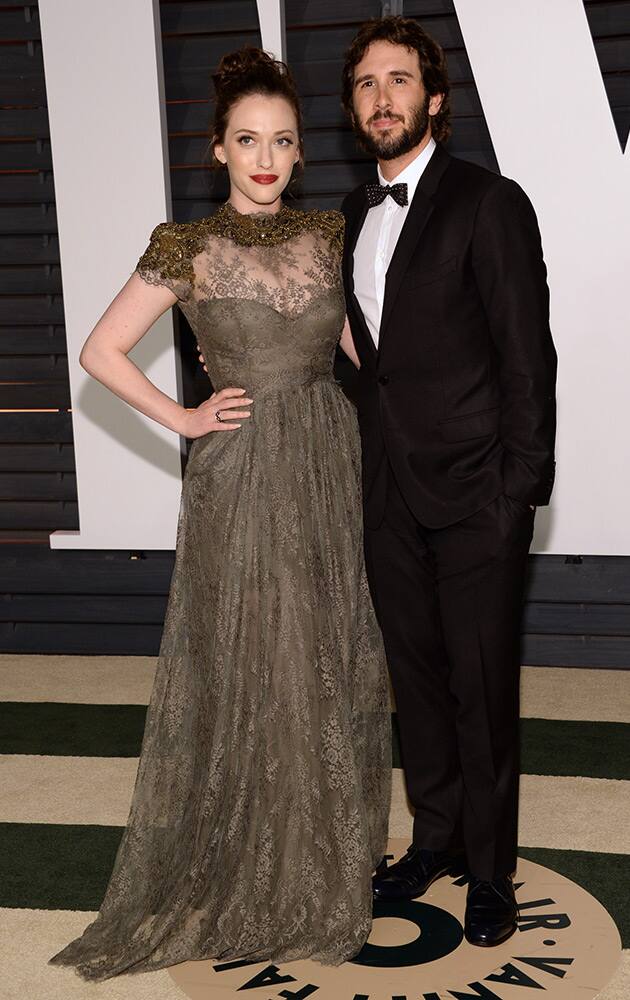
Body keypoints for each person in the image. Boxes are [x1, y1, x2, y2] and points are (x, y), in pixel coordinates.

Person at [48, 47, 391, 982]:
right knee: (259, 654)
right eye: (249, 141)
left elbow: (366, 351)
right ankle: (249, 859)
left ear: (297, 153)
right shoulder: (185, 247)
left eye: (282, 140)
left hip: (330, 462)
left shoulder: (329, 233)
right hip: (241, 474)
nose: (267, 157)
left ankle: (323, 853)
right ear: (220, 151)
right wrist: (187, 417)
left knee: (330, 652)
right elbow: (101, 351)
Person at [340, 16, 557, 947]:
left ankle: (491, 870)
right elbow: (369, 361)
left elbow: (526, 359)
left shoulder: (489, 202)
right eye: (364, 84)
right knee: (418, 683)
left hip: (478, 495)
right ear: (354, 108)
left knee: (482, 689)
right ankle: (433, 839)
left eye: (399, 80)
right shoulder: (346, 216)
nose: (382, 97)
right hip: (386, 491)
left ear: (434, 99)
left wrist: (520, 493)